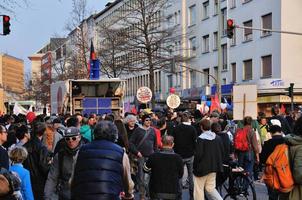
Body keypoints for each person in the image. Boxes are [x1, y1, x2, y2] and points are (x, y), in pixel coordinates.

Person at [71, 121, 134, 200]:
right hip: (110, 196)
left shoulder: (81, 151)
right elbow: (128, 182)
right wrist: (128, 195)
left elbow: (72, 181)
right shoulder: (121, 153)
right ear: (114, 135)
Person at [44, 127, 84, 200]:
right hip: (64, 194)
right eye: (67, 139)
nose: (71, 141)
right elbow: (52, 177)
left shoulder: (86, 153)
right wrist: (47, 196)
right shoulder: (60, 155)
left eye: (73, 138)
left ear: (79, 138)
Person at [144, 135, 183, 200]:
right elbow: (180, 174)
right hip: (173, 191)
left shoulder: (154, 156)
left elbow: (145, 169)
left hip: (156, 190)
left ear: (161, 143)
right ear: (172, 144)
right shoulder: (178, 158)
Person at [193, 118, 223, 200]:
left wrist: (195, 167)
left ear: (201, 127)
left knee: (198, 190)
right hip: (214, 167)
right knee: (210, 188)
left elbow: (198, 155)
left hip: (202, 168)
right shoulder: (217, 138)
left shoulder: (200, 139)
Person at [129, 114, 158, 200]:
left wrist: (155, 155)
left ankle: (150, 194)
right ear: (143, 121)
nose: (148, 122)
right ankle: (142, 195)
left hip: (151, 157)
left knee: (150, 178)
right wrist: (137, 152)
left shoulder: (153, 131)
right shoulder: (138, 130)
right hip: (141, 157)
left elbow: (155, 145)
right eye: (146, 120)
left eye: (149, 120)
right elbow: (131, 143)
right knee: (141, 177)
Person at [260, 119, 288, 200]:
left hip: (271, 174)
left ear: (271, 133)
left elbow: (263, 159)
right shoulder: (286, 142)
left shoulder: (267, 143)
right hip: (285, 172)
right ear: (280, 131)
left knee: (272, 196)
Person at [23, 122, 51, 200]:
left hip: (28, 178)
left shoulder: (25, 146)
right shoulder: (42, 148)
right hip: (39, 180)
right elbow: (43, 166)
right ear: (43, 132)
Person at [172, 113, 197, 200]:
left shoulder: (176, 129)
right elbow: (195, 143)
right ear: (188, 119)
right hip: (190, 155)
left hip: (179, 155)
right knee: (191, 176)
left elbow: (173, 141)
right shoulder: (192, 129)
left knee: (179, 176)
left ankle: (179, 196)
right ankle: (192, 196)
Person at [285, 116, 302, 200]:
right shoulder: (300, 147)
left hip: (287, 191)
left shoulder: (290, 142)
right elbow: (299, 175)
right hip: (297, 193)